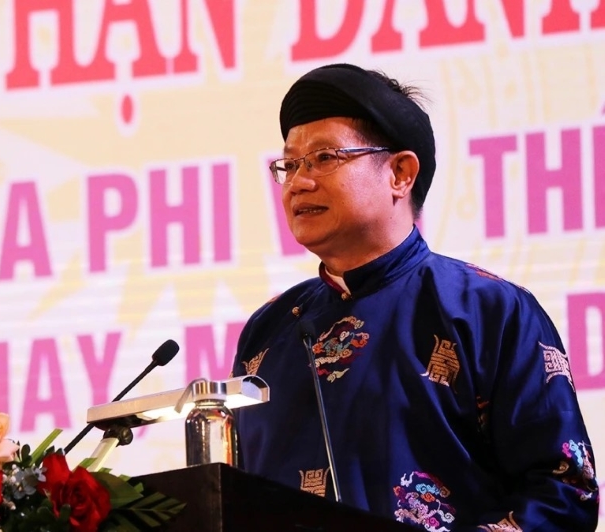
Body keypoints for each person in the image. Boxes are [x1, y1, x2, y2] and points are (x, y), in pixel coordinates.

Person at [231, 63, 598, 531]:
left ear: (400, 174)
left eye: (324, 158)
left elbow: (564, 492)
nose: (299, 182)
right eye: (290, 165)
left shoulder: (486, 309)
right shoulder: (270, 329)